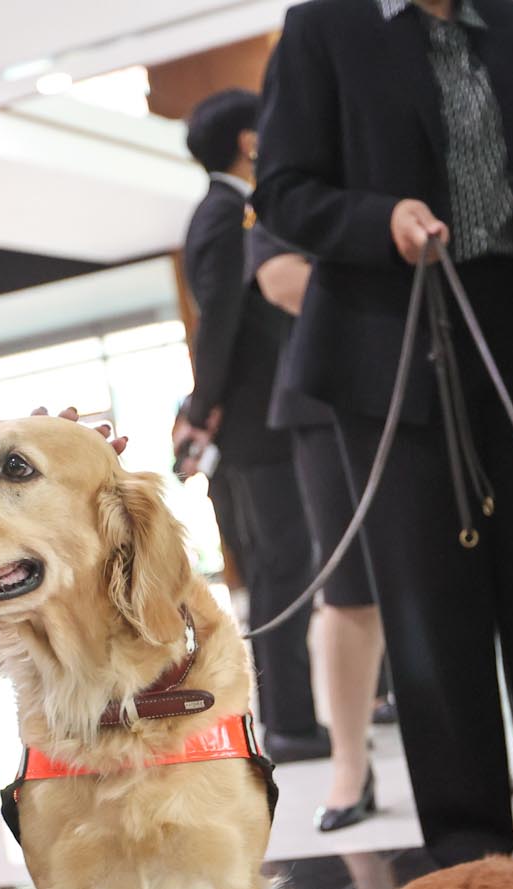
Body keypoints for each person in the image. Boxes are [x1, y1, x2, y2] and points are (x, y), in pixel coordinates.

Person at [256, 0, 513, 871]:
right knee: (431, 602)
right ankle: (469, 842)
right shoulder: (324, 28)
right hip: (395, 341)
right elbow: (282, 191)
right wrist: (381, 218)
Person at [176, 89, 329, 766]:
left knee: (294, 562)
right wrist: (201, 407)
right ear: (248, 141)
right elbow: (219, 320)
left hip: (269, 418)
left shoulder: (237, 209)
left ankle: (310, 710)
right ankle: (289, 723)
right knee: (280, 568)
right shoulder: (224, 213)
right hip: (255, 425)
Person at [249, 220, 388, 829]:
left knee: (441, 580)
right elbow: (283, 281)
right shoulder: (283, 185)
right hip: (329, 394)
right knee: (348, 587)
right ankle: (349, 765)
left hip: (425, 374)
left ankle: (460, 749)